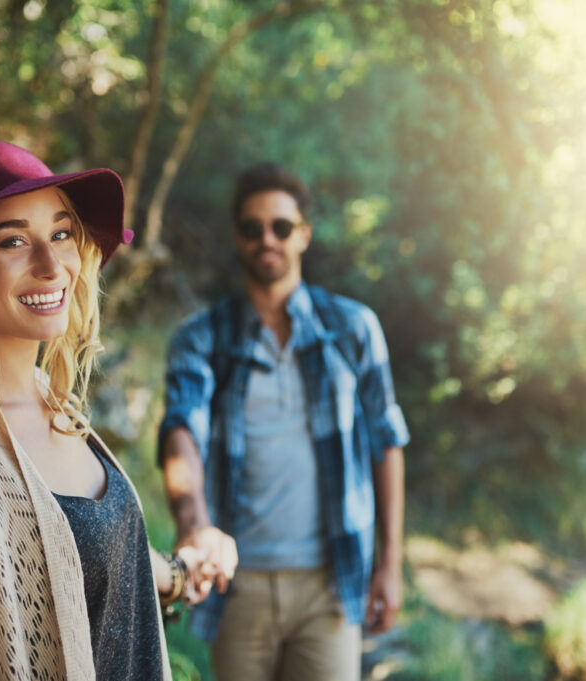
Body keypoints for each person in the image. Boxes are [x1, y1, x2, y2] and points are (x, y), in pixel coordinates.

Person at [0, 141, 223, 681]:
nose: (52, 266)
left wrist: (181, 569)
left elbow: (87, 562)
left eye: (61, 233)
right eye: (12, 242)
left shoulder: (60, 407)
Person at [158, 162, 410, 680]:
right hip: (239, 586)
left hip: (329, 582)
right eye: (252, 228)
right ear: (237, 237)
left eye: (281, 227)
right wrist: (195, 524)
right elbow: (182, 427)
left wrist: (390, 564)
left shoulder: (354, 328)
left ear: (304, 235)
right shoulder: (201, 337)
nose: (266, 239)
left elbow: (387, 442)